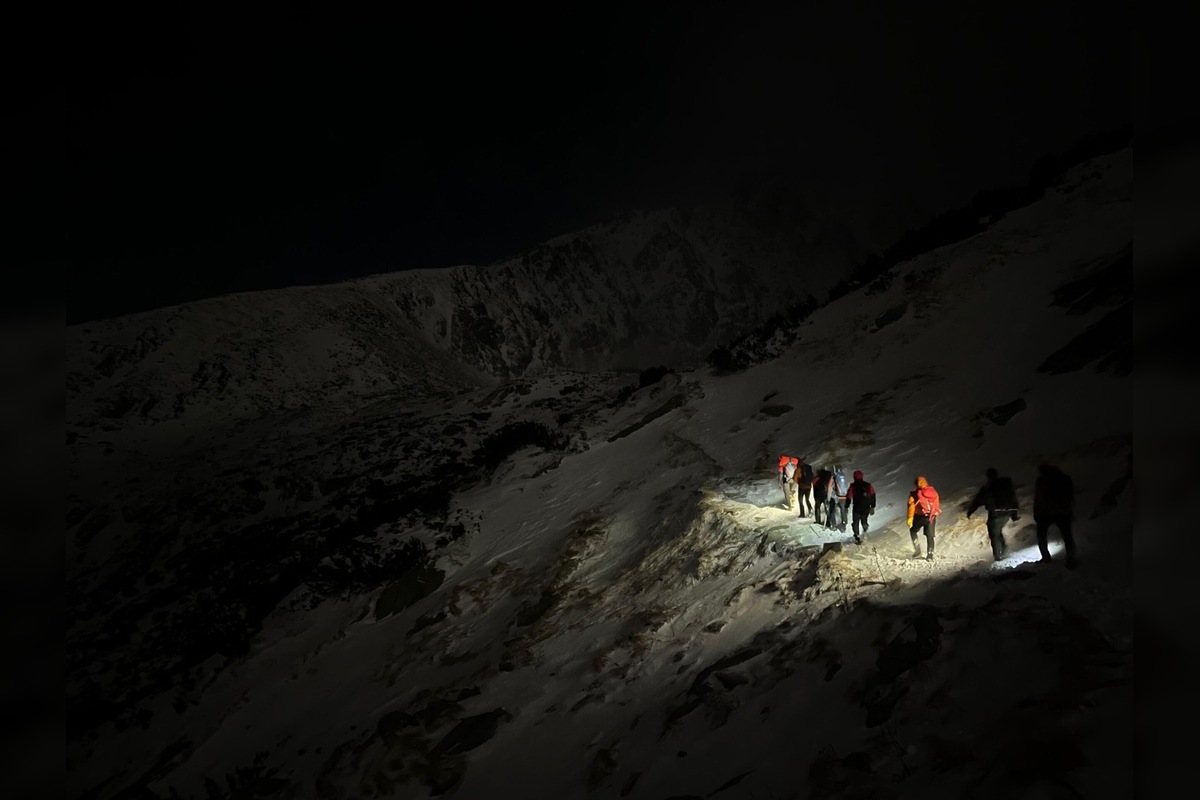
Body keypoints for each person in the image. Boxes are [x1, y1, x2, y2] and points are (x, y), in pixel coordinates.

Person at [967, 467, 1020, 560]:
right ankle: (1003, 549)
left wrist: (970, 511)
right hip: (1007, 512)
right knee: (997, 531)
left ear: (988, 476)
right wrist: (1014, 513)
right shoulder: (1005, 485)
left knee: (994, 533)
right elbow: (1014, 498)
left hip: (996, 514)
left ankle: (998, 555)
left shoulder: (988, 487)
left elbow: (978, 500)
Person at [1034, 463, 1077, 567]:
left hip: (1047, 513)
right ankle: (1071, 557)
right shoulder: (1064, 479)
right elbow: (1070, 496)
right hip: (1061, 512)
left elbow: (1038, 498)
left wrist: (1036, 512)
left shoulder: (1041, 481)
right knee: (1067, 536)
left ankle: (1046, 557)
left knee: (1042, 536)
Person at [906, 476, 941, 561]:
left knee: (913, 531)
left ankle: (918, 551)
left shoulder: (915, 493)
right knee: (930, 536)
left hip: (919, 517)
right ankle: (930, 555)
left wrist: (910, 518)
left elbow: (911, 506)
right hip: (931, 517)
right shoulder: (933, 492)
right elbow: (936, 503)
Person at [846, 469, 876, 544]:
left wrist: (847, 505)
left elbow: (849, 497)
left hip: (856, 508)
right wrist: (872, 506)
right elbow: (873, 495)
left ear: (854, 477)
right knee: (864, 520)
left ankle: (857, 536)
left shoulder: (852, 486)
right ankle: (865, 531)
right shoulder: (868, 485)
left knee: (855, 523)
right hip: (866, 507)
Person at [828, 465, 850, 531]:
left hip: (836, 497)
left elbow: (829, 488)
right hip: (844, 497)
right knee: (843, 511)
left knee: (832, 510)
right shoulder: (843, 477)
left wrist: (828, 498)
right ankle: (844, 524)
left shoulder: (833, 478)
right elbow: (848, 485)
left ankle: (833, 525)